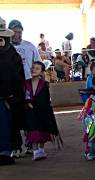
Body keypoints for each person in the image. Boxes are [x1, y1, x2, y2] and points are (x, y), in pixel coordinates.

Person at [9, 19, 42, 158]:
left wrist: (40, 82)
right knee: (14, 116)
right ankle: (16, 146)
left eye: (20, 32)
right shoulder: (5, 48)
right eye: (15, 32)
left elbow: (39, 64)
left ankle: (30, 143)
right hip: (13, 86)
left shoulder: (30, 46)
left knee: (30, 114)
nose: (18, 35)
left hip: (29, 84)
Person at [24, 62, 62, 161]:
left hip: (43, 111)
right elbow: (25, 95)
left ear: (41, 72)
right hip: (31, 111)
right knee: (33, 130)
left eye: (37, 69)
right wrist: (27, 103)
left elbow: (47, 97)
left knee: (43, 130)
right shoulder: (26, 83)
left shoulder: (45, 84)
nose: (33, 70)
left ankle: (41, 149)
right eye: (32, 68)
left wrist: (55, 79)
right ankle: (35, 150)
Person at [0, 16, 25, 165]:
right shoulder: (12, 54)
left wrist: (13, 96)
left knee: (6, 125)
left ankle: (5, 151)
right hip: (7, 97)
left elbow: (17, 78)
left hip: (7, 99)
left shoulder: (12, 54)